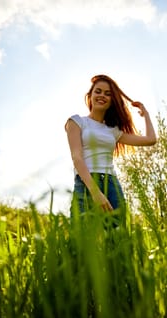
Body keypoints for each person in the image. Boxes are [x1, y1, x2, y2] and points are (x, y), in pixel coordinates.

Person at [65, 74, 157, 225]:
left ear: (112, 100)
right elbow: (77, 158)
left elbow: (150, 140)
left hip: (112, 183)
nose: (102, 96)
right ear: (90, 95)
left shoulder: (113, 131)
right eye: (98, 91)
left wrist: (145, 114)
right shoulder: (76, 121)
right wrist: (95, 192)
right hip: (87, 182)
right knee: (82, 238)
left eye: (108, 94)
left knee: (118, 239)